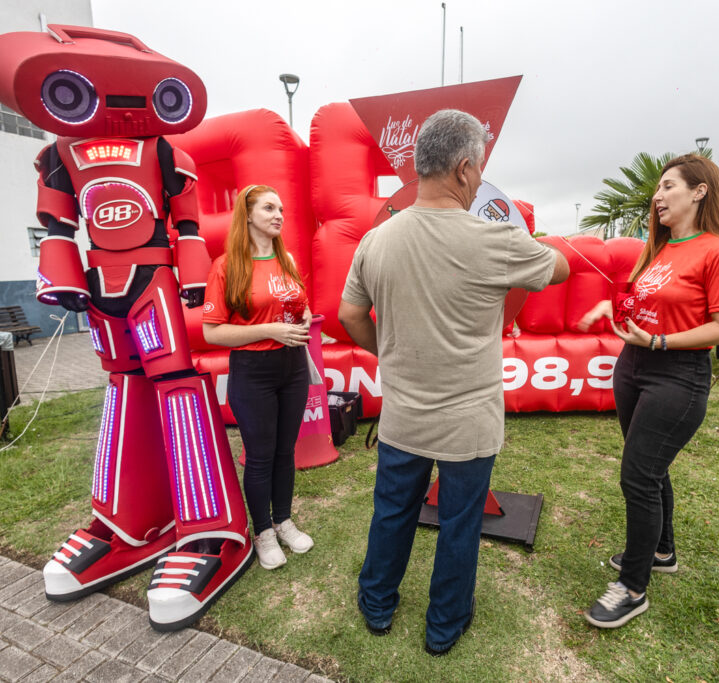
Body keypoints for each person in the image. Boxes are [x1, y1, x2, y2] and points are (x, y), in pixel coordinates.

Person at [338, 109, 570, 656]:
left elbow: (349, 315)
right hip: (469, 423)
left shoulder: (376, 240)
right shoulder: (496, 240)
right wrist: (527, 240)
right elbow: (559, 268)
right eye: (480, 168)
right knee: (460, 525)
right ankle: (444, 625)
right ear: (465, 169)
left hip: (403, 416)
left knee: (392, 513)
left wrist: (389, 351)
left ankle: (377, 603)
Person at [577, 154, 719, 628]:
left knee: (638, 476)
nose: (657, 196)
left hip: (677, 375)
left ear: (699, 191)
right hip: (634, 366)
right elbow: (646, 302)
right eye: (657, 188)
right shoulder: (661, 248)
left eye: (668, 186)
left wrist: (659, 341)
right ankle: (661, 551)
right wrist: (610, 309)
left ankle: (632, 588)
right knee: (650, 468)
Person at [203, 185, 315, 571]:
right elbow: (212, 332)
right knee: (261, 455)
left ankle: (283, 520)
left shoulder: (287, 260)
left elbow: (301, 306)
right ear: (248, 215)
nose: (278, 215)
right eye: (269, 208)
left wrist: (302, 319)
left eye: (281, 208)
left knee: (286, 451)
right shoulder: (227, 266)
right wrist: (269, 331)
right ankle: (263, 531)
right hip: (254, 372)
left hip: (293, 367)